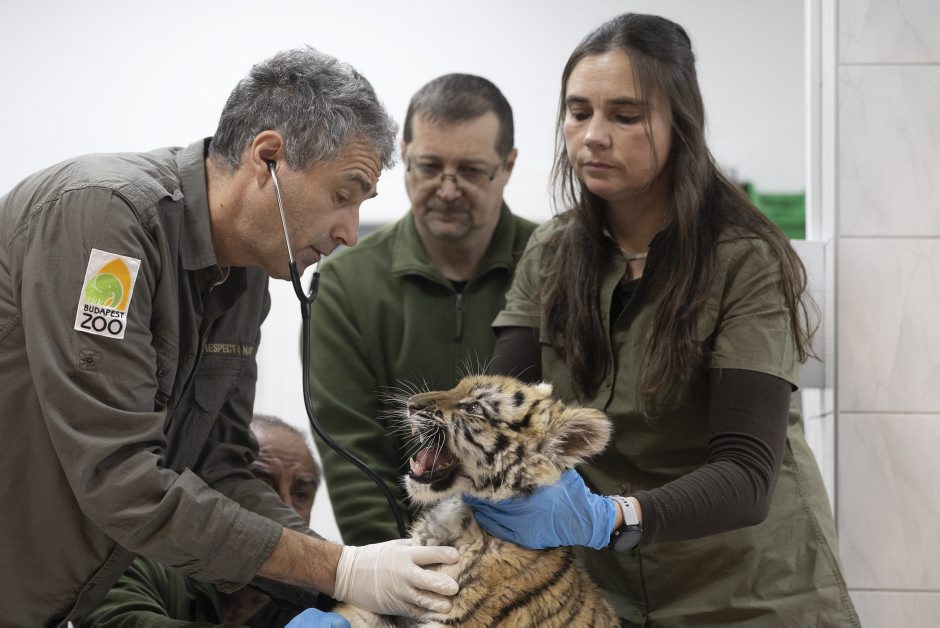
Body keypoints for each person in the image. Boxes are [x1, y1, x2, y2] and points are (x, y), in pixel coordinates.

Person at [0, 47, 458, 627]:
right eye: (343, 196)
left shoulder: (246, 278)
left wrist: (353, 577)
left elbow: (219, 468)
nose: (349, 233)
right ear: (268, 158)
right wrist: (338, 571)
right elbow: (121, 478)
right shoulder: (105, 221)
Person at [466, 13, 861, 626]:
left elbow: (746, 474)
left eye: (625, 116)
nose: (594, 136)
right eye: (578, 112)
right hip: (609, 593)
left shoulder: (745, 259)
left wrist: (610, 517)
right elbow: (501, 412)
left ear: (680, 124)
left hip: (751, 591)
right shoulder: (550, 254)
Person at [308, 74, 537, 544]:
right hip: (406, 558)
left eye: (470, 171)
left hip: (541, 557)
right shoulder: (345, 284)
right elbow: (353, 460)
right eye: (429, 167)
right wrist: (401, 573)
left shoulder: (556, 265)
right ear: (404, 155)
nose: (447, 190)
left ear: (508, 165)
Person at [82, 415, 324, 626]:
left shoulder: (313, 604)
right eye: (263, 488)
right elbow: (118, 620)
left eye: (301, 494)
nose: (286, 509)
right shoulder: (136, 562)